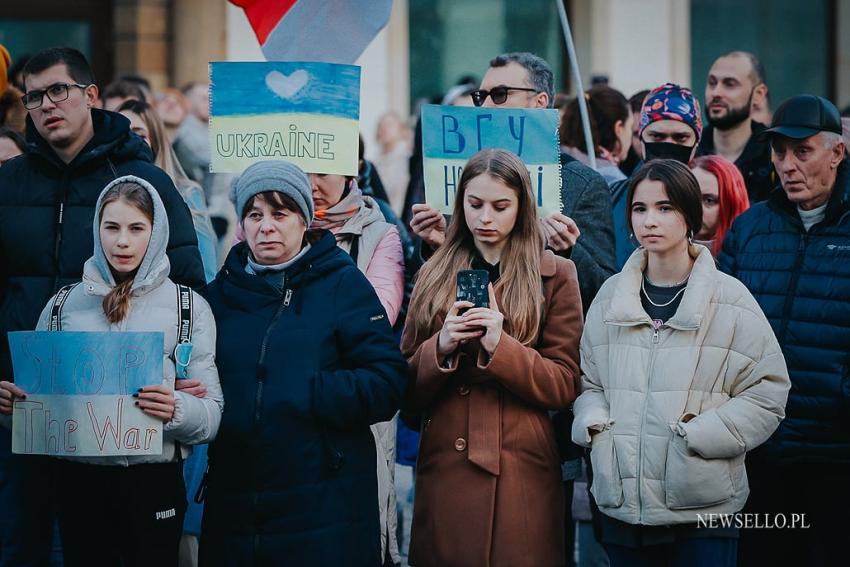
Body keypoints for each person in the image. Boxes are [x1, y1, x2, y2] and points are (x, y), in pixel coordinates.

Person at [0, 46, 204, 565]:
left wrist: (180, 372)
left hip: (119, 420)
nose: (46, 104)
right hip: (24, 407)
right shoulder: (8, 184)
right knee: (20, 542)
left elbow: (186, 288)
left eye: (58, 91)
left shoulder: (143, 181)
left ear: (91, 95)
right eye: (33, 97)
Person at [573, 159, 790, 567]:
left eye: (665, 208)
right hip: (624, 504)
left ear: (690, 215)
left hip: (701, 509)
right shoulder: (610, 296)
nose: (649, 220)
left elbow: (769, 389)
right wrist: (597, 427)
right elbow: (591, 383)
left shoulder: (730, 298)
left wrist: (700, 436)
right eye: (640, 209)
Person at [0, 176, 223, 566]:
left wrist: (176, 409)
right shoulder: (60, 307)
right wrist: (12, 409)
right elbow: (41, 412)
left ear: (156, 234)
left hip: (153, 482)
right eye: (112, 227)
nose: (122, 241)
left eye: (136, 229)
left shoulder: (189, 309)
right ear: (97, 230)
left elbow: (212, 417)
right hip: (80, 484)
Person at [199, 160, 407, 566]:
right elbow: (199, 380)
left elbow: (387, 381)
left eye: (280, 213)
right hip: (240, 510)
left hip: (325, 504)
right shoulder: (216, 298)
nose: (267, 226)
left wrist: (314, 390)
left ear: (303, 219)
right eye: (255, 215)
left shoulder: (342, 283)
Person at [402, 149, 584, 566]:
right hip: (447, 460)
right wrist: (441, 348)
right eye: (474, 204)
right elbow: (405, 394)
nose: (486, 218)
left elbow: (564, 384)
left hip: (520, 461)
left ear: (522, 208)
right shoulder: (431, 273)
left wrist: (501, 348)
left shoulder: (555, 275)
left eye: (501, 206)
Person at [718, 95, 850, 567]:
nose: (788, 165)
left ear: (837, 153)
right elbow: (721, 329)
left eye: (803, 151)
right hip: (762, 451)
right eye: (779, 152)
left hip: (837, 457)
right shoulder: (751, 229)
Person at [307, 169, 405, 565]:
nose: (311, 184)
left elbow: (377, 316)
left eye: (321, 173)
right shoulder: (263, 230)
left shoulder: (379, 235)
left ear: (349, 170)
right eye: (301, 172)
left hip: (353, 412)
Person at [117, 98, 219, 282]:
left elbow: (207, 269)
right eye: (121, 135)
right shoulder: (102, 193)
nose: (129, 142)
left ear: (155, 141)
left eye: (139, 135)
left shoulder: (187, 193)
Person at [609, 83, 704, 268]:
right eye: (657, 136)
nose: (668, 144)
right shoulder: (614, 196)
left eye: (680, 138)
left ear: (696, 144)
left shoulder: (712, 196)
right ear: (642, 139)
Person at [698, 51, 775, 203]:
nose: (716, 92)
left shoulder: (775, 155)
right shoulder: (691, 152)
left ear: (759, 94)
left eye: (729, 84)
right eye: (712, 83)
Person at [561, 86, 633, 185]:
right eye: (630, 127)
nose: (631, 136)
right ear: (619, 128)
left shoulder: (553, 160)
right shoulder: (616, 182)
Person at [691, 155, 749, 255]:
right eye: (690, 197)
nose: (696, 209)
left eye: (709, 200)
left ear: (731, 204)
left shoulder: (751, 252)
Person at [373, 111, 412, 217]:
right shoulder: (374, 162)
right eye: (381, 125)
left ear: (401, 129)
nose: (384, 129)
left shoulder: (407, 158)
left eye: (390, 125)